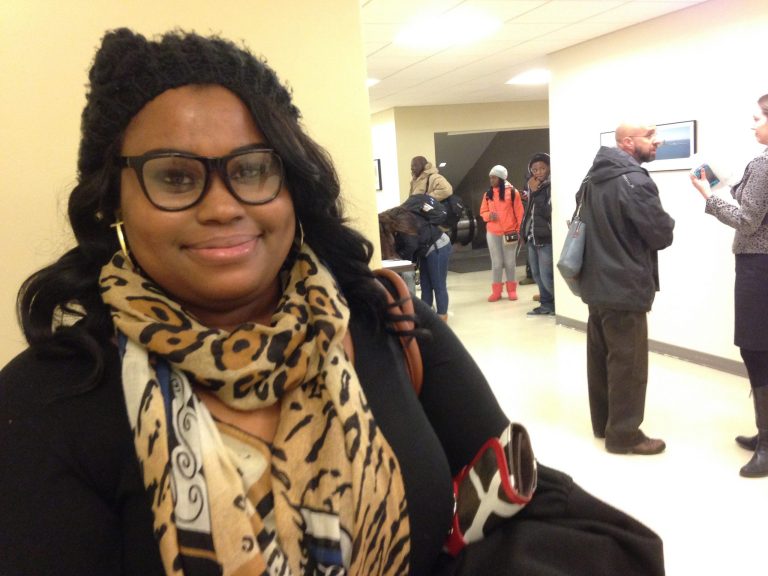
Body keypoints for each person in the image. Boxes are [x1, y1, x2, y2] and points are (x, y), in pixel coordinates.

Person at [0, 29, 666, 576]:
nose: (224, 205)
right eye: (175, 176)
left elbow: (520, 494)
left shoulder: (386, 323)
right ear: (114, 199)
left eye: (253, 169)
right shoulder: (48, 404)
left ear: (292, 186)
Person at [579, 123, 675, 456]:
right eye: (650, 136)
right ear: (628, 142)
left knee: (602, 357)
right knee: (628, 363)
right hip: (626, 286)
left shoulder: (591, 179)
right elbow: (661, 234)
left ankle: (604, 423)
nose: (657, 140)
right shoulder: (635, 181)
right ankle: (624, 434)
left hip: (594, 284)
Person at [690, 94, 768, 478]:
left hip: (759, 267)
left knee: (756, 349)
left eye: (757, 119)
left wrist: (708, 196)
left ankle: (767, 445)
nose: (752, 125)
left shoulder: (763, 163)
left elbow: (748, 221)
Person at [479, 165, 524, 302]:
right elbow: (482, 212)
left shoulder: (513, 193)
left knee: (510, 263)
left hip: (510, 233)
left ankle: (512, 290)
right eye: (490, 178)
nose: (491, 180)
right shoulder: (488, 195)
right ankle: (496, 292)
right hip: (492, 233)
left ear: (501, 178)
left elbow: (519, 213)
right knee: (496, 263)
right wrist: (488, 216)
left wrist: (518, 231)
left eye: (493, 177)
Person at [521, 153, 555, 316]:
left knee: (547, 275)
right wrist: (523, 232)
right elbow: (528, 212)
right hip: (532, 236)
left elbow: (549, 212)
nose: (539, 172)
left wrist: (536, 193)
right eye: (535, 169)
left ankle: (557, 305)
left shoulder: (551, 186)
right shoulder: (532, 185)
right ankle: (546, 304)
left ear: (548, 168)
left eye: (542, 168)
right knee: (536, 274)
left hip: (546, 238)